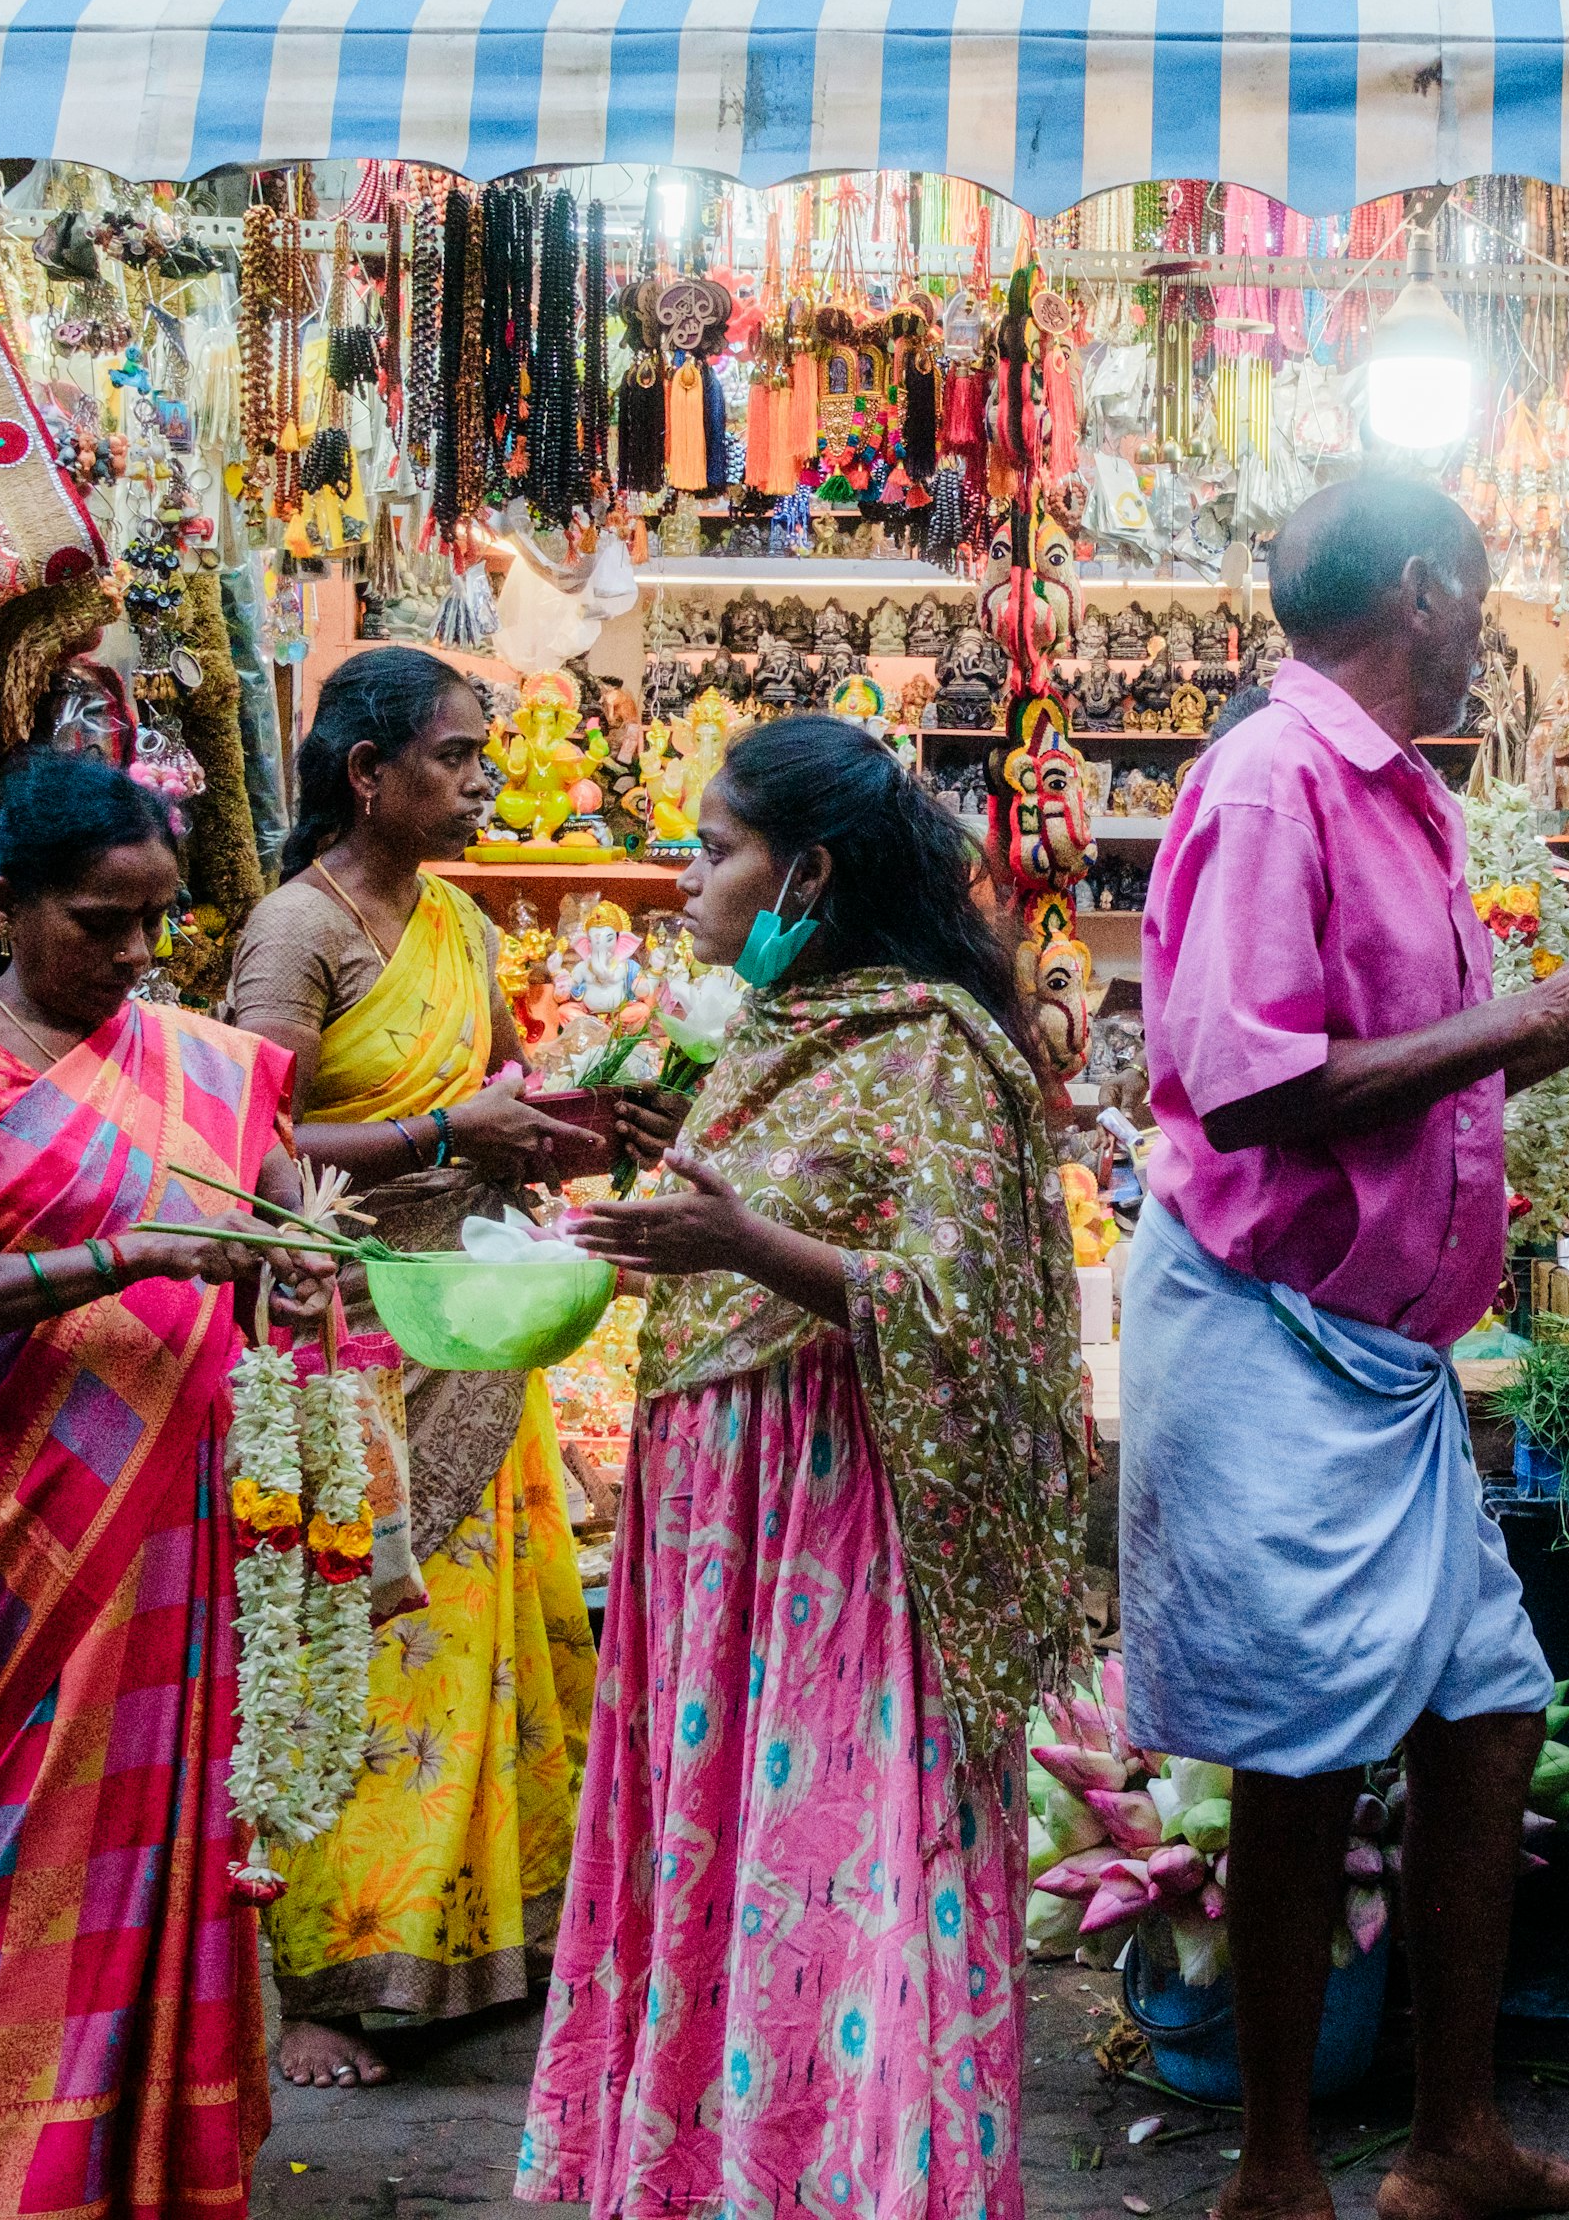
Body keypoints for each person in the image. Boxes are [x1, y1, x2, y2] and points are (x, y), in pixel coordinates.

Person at [1119, 475, 1569, 2220]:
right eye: (1476, 593)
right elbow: (1249, 1085)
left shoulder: (1395, 797)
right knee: (1302, 1751)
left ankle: (1452, 2143)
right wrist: (1540, 1012)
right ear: (1418, 588)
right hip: (1269, 1331)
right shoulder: (1275, 780)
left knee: (1489, 1707)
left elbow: (1422, 1068)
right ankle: (1276, 2172)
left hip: (1374, 1354)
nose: (1486, 626)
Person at [517, 713, 1091, 2220]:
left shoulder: (940, 1047)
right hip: (722, 1532)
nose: (684, 879)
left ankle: (857, 2179)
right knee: (726, 1852)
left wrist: (738, 1243)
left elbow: (965, 1302)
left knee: (837, 1861)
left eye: (714, 852)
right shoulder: (773, 1035)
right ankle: (715, 2174)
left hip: (846, 1531)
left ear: (810, 871)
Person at [0, 748, 332, 2220]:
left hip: (181, 1536)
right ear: (5, 904)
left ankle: (148, 2178)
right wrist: (127, 1256)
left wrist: (297, 1282)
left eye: (157, 923)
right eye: (98, 922)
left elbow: (289, 1219)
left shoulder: (201, 1062)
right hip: (18, 1551)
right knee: (18, 1865)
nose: (134, 955)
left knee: (176, 1858)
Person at [224, 646, 610, 2088]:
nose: (479, 783)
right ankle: (323, 1979)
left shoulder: (460, 923)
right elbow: (247, 1150)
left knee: (481, 1647)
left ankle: (477, 1949)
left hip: (473, 1320)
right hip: (347, 1327)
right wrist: (448, 1139)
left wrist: (593, 1120)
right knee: (358, 1652)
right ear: (366, 775)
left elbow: (502, 1098)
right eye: (454, 758)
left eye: (485, 759)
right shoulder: (293, 932)